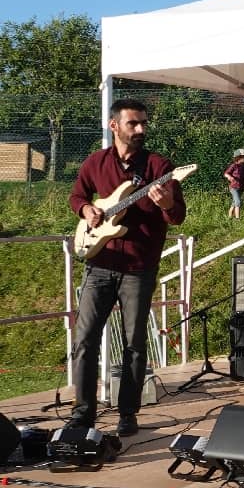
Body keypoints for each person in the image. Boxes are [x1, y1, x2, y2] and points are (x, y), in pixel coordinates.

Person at [68, 98, 187, 436]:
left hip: (138, 266)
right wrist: (87, 210)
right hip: (99, 263)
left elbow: (178, 215)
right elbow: (76, 196)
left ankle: (127, 413)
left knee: (134, 344)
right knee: (85, 339)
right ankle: (83, 413)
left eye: (144, 123)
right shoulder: (96, 162)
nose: (140, 130)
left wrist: (166, 205)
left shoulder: (159, 166)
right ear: (114, 126)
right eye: (133, 123)